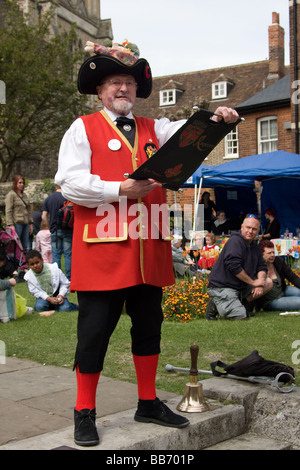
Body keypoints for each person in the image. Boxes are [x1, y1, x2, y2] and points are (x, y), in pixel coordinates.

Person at [55, 39, 239, 446]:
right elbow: (69, 184)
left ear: (136, 91)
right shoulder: (81, 129)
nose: (122, 89)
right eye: (114, 83)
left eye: (128, 83)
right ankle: (84, 410)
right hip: (103, 249)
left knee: (149, 329)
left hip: (148, 248)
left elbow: (192, 132)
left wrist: (220, 119)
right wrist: (120, 188)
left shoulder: (157, 128)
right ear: (100, 91)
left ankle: (147, 401)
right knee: (94, 335)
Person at [206, 214, 273, 320]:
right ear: (242, 227)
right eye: (248, 228)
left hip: (240, 286)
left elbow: (261, 266)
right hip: (223, 286)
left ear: (258, 231)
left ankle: (238, 304)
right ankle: (215, 304)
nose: (250, 231)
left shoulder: (254, 245)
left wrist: (260, 282)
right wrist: (253, 282)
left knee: (268, 282)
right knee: (240, 316)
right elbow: (234, 267)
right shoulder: (235, 241)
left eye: (254, 229)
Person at [256, 240, 300, 312]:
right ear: (261, 255)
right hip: (271, 301)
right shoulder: (256, 267)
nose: (272, 255)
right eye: (269, 253)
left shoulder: (278, 261)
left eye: (273, 252)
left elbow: (292, 277)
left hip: (283, 290)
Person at [41, 185, 72, 279]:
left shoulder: (49, 198)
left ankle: (57, 277)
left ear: (55, 186)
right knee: (68, 254)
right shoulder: (67, 197)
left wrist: (48, 226)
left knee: (56, 255)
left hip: (54, 229)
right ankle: (68, 277)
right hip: (67, 229)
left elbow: (44, 215)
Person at [5, 175, 33, 251]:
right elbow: (8, 210)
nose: (22, 184)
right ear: (15, 183)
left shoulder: (24, 195)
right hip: (17, 223)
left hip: (26, 223)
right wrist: (11, 224)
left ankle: (23, 262)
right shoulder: (11, 195)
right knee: (16, 245)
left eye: (23, 183)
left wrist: (30, 223)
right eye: (20, 183)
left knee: (25, 246)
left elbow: (29, 210)